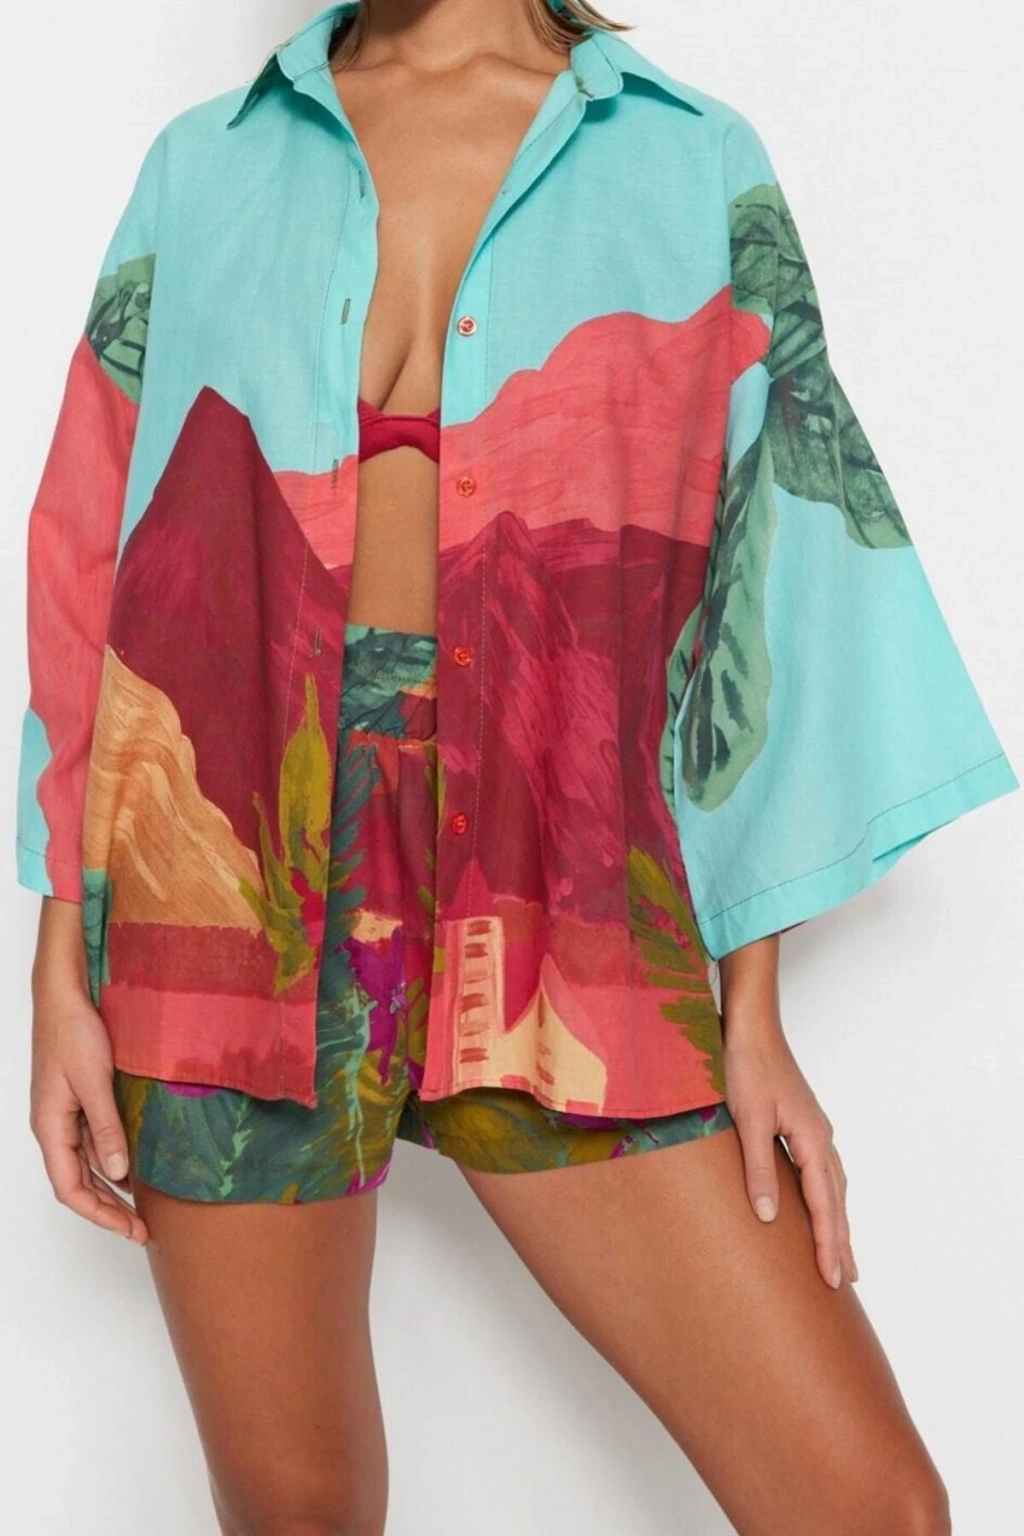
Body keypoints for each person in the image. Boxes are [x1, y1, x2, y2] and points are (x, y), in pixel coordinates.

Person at [16, 2, 1017, 1532]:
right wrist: (60, 972)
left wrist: (748, 1011)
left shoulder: (683, 160)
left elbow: (770, 563)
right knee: (296, 1512)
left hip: (558, 860)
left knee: (866, 1507)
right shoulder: (205, 166)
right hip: (223, 870)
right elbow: (99, 563)